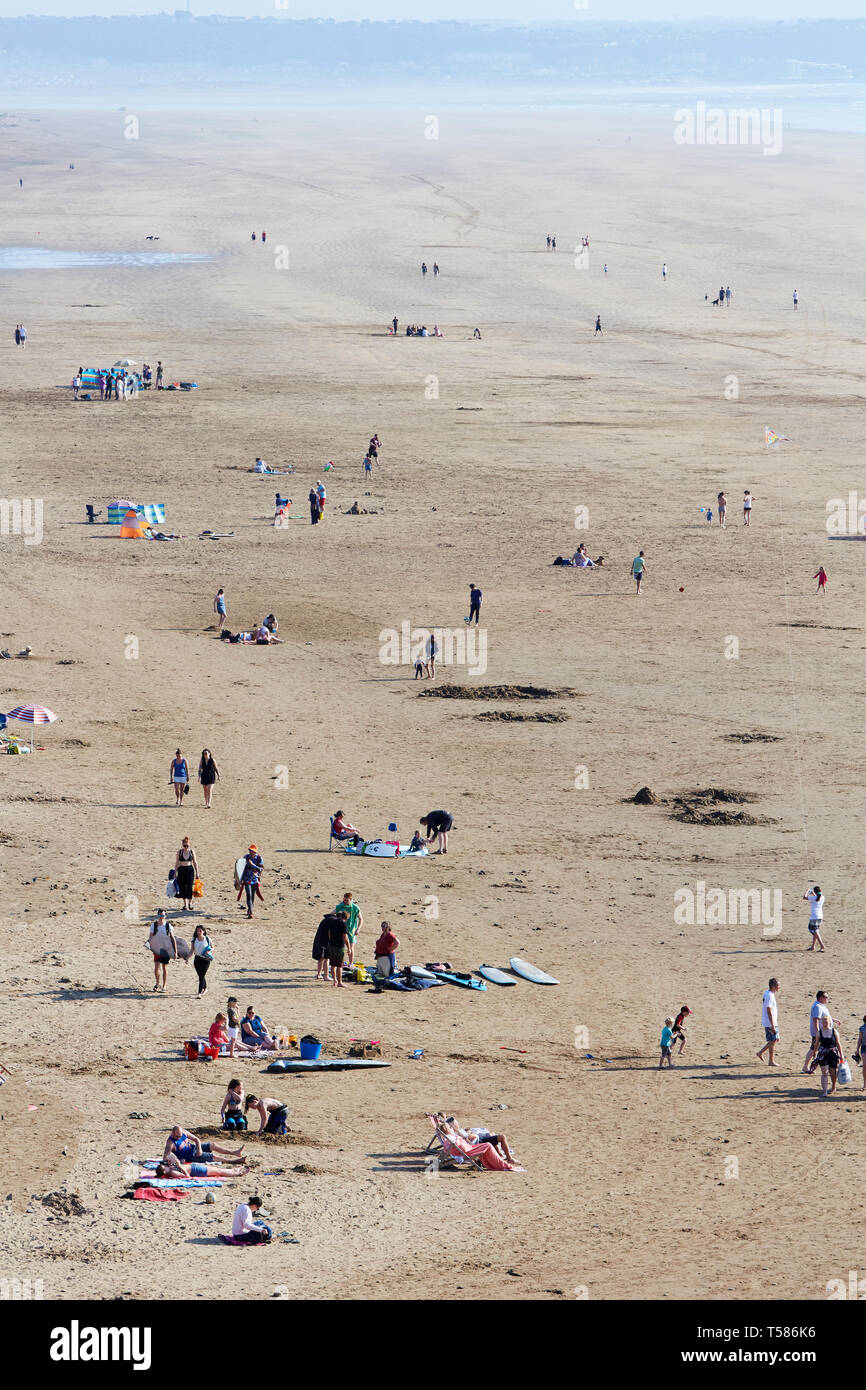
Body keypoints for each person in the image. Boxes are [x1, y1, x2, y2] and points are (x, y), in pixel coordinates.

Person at [163, 1125, 244, 1166]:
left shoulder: (183, 1132)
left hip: (194, 1148)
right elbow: (165, 1158)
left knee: (213, 1145)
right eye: (177, 1136)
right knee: (213, 1156)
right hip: (191, 1156)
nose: (178, 1138)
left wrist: (199, 1148)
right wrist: (178, 1162)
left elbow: (196, 1139)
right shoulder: (170, 1143)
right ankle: (233, 1161)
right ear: (173, 1133)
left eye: (180, 1136)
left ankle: (235, 1152)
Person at [810, 1014, 844, 1097]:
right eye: (823, 1022)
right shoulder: (819, 1032)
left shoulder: (834, 1031)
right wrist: (814, 1052)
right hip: (823, 1053)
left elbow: (838, 1043)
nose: (825, 1023)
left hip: (833, 1053)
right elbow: (816, 1043)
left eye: (826, 1021)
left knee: (833, 1072)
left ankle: (833, 1086)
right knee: (824, 1072)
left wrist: (841, 1054)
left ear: (829, 1022)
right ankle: (824, 1091)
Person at [148, 909, 178, 993]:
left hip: (166, 949)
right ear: (157, 916)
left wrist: (175, 952)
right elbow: (150, 937)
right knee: (156, 967)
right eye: (159, 915)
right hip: (157, 949)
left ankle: (164, 986)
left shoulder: (168, 926)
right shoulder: (153, 925)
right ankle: (157, 983)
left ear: (165, 916)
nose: (161, 917)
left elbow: (173, 939)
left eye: (162, 915)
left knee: (164, 967)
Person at [802, 990, 831, 1075]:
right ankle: (806, 1066)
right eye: (825, 997)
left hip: (824, 1032)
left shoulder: (821, 1006)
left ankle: (808, 1066)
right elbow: (816, 1020)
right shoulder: (817, 1007)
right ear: (820, 998)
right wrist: (818, 1032)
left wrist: (833, 1020)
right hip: (819, 1033)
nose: (827, 998)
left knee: (818, 1049)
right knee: (813, 1049)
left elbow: (825, 1017)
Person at [756, 978, 780, 1066]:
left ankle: (763, 1055)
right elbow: (769, 1010)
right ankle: (769, 1059)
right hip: (770, 1022)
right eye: (778, 985)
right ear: (773, 986)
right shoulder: (769, 995)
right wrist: (773, 1025)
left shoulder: (769, 994)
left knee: (774, 1040)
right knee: (773, 1040)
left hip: (771, 1021)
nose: (779, 987)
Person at [335, 891, 362, 967]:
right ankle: (341, 962)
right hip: (341, 929)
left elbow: (361, 919)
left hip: (352, 930)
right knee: (342, 946)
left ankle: (350, 963)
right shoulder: (339, 906)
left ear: (351, 900)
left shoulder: (355, 908)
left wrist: (358, 929)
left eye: (347, 900)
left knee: (351, 947)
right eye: (344, 900)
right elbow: (333, 913)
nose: (345, 901)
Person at [238, 845, 264, 919]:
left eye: (252, 850)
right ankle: (251, 912)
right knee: (248, 894)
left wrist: (253, 865)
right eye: (249, 850)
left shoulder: (259, 858)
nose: (250, 852)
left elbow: (261, 869)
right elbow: (240, 868)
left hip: (254, 879)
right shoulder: (246, 857)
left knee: (252, 895)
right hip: (247, 879)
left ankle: (250, 909)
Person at [326, 911, 350, 988]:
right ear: (346, 918)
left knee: (333, 964)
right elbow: (345, 937)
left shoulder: (333, 921)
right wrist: (349, 947)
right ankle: (339, 982)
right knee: (339, 965)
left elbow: (329, 932)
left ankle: (334, 981)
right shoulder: (343, 924)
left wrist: (330, 940)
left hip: (332, 945)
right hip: (339, 946)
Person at [174, 836, 198, 912]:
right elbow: (177, 863)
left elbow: (195, 862)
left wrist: (197, 872)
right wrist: (175, 872)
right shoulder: (179, 852)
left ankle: (190, 903)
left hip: (190, 870)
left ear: (189, 845)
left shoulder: (192, 852)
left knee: (189, 887)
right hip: (181, 870)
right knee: (183, 887)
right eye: (184, 846)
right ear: (182, 845)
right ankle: (185, 904)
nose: (186, 847)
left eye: (187, 846)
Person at [312, 912, 336, 982]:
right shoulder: (332, 921)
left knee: (321, 958)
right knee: (327, 958)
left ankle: (319, 974)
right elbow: (330, 932)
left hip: (319, 940)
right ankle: (326, 976)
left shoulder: (326, 919)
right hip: (325, 942)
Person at [192, 925, 214, 997]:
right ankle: (205, 988)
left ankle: (199, 993)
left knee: (201, 976)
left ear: (203, 931)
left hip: (206, 959)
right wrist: (187, 957)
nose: (198, 932)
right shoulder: (194, 939)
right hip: (197, 959)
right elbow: (192, 950)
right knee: (201, 975)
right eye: (197, 931)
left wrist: (209, 950)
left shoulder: (207, 939)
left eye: (200, 931)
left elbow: (213, 947)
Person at [804, 885, 825, 951]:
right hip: (820, 916)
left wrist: (807, 891)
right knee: (815, 931)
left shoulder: (814, 898)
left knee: (813, 930)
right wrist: (813, 893)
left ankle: (822, 945)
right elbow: (816, 897)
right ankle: (813, 946)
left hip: (814, 916)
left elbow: (804, 897)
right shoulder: (822, 897)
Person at [855, 1015, 866, 1092]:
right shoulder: (862, 1028)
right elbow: (860, 1039)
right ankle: (865, 1084)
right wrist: (857, 1050)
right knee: (865, 1066)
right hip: (864, 1047)